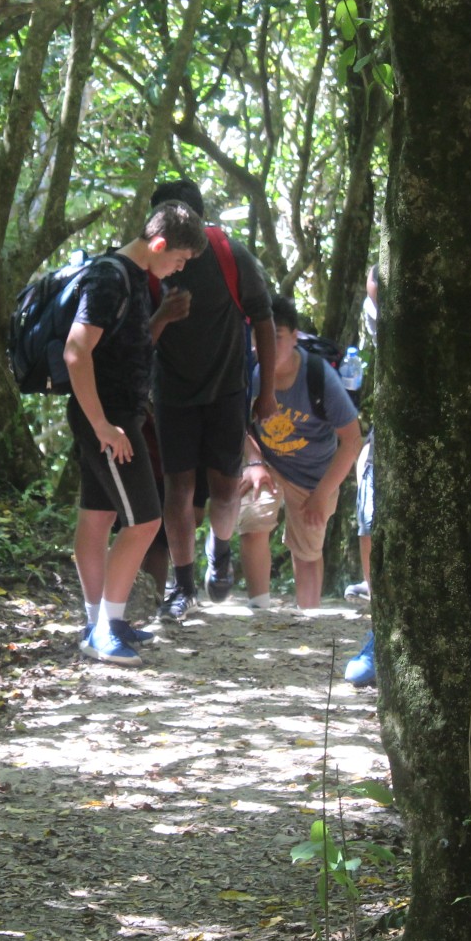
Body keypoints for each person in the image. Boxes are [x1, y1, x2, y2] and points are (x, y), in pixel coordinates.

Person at [344, 268, 471, 685]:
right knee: (371, 513)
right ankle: (381, 633)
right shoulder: (375, 310)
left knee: (436, 534)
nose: (378, 311)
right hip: (399, 422)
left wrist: (448, 444)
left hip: (460, 428)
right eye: (375, 304)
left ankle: (433, 644)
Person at [66, 200, 207, 665]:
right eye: (179, 260)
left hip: (115, 414)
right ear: (160, 244)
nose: (177, 270)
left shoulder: (132, 279)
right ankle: (104, 627)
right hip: (109, 419)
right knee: (145, 520)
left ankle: (101, 620)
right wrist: (104, 425)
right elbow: (76, 351)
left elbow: (125, 346)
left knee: (98, 516)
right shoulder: (110, 277)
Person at [149, 179, 277, 622]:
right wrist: (163, 316)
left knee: (224, 488)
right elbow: (131, 335)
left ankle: (219, 553)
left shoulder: (229, 254)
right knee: (178, 489)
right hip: (172, 391)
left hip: (227, 388)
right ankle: (181, 586)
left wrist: (267, 393)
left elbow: (263, 317)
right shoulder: (146, 264)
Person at [237, 295, 363, 610]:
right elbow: (234, 424)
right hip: (268, 462)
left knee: (307, 553)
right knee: (254, 521)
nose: (265, 347)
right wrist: (254, 463)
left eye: (275, 338)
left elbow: (351, 441)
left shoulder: (320, 378)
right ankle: (260, 610)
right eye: (258, 338)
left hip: (315, 475)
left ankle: (309, 618)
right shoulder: (248, 370)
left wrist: (322, 493)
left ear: (294, 338)